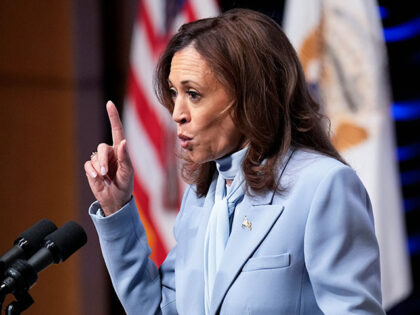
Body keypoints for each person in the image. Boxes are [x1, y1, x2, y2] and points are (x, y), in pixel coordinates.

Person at [85, 8, 385, 315]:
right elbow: (158, 310)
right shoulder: (201, 199)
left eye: (194, 93)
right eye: (175, 93)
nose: (177, 113)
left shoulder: (322, 186)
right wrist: (117, 208)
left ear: (250, 96)